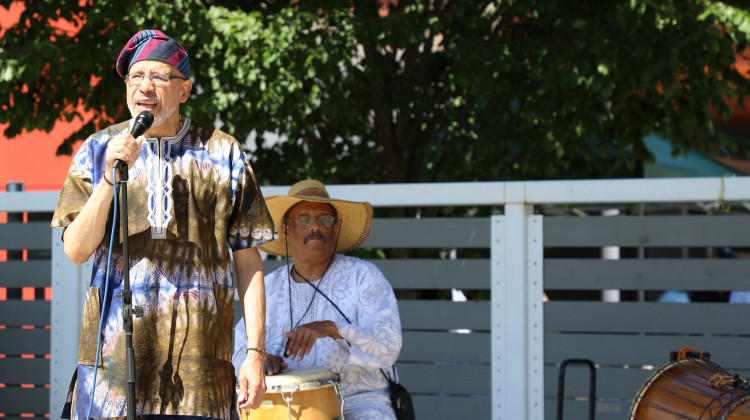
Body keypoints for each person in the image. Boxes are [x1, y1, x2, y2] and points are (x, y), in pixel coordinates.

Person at [50, 29, 277, 420]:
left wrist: (255, 353)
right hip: (114, 372)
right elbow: (75, 249)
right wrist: (109, 178)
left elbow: (248, 259)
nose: (145, 87)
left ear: (184, 90)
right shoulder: (98, 148)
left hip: (200, 374)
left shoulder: (224, 152)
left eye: (159, 76)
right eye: (136, 77)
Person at [232, 179, 402, 420]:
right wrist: (259, 358)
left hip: (360, 402)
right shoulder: (268, 287)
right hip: (283, 408)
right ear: (285, 230)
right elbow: (238, 349)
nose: (316, 227)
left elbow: (388, 345)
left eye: (325, 219)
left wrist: (334, 329)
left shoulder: (364, 278)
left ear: (335, 227)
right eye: (304, 219)